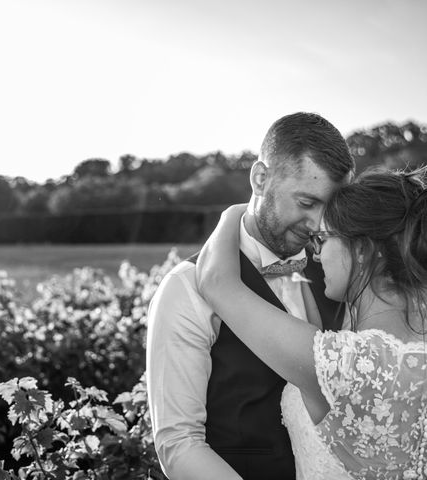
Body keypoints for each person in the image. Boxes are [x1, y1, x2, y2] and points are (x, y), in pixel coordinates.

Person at [195, 167, 427, 480]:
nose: (316, 255)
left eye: (322, 239)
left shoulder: (340, 364)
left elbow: (215, 281)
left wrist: (237, 212)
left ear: (362, 249)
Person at [146, 112, 355, 479]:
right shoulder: (186, 288)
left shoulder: (341, 277)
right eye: (307, 202)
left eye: (329, 208)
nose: (318, 224)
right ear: (260, 178)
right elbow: (179, 445)